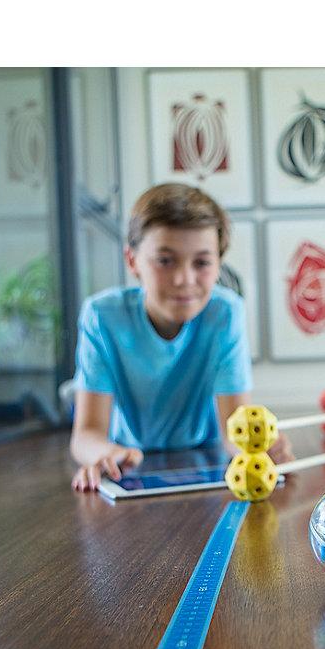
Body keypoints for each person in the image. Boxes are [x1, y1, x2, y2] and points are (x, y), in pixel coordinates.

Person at [70, 182, 292, 492]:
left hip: (206, 464)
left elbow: (234, 431)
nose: (183, 280)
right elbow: (86, 434)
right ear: (132, 260)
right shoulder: (102, 316)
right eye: (165, 260)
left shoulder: (226, 313)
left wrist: (259, 451)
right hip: (131, 466)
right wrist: (106, 454)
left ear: (218, 265)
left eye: (201, 263)